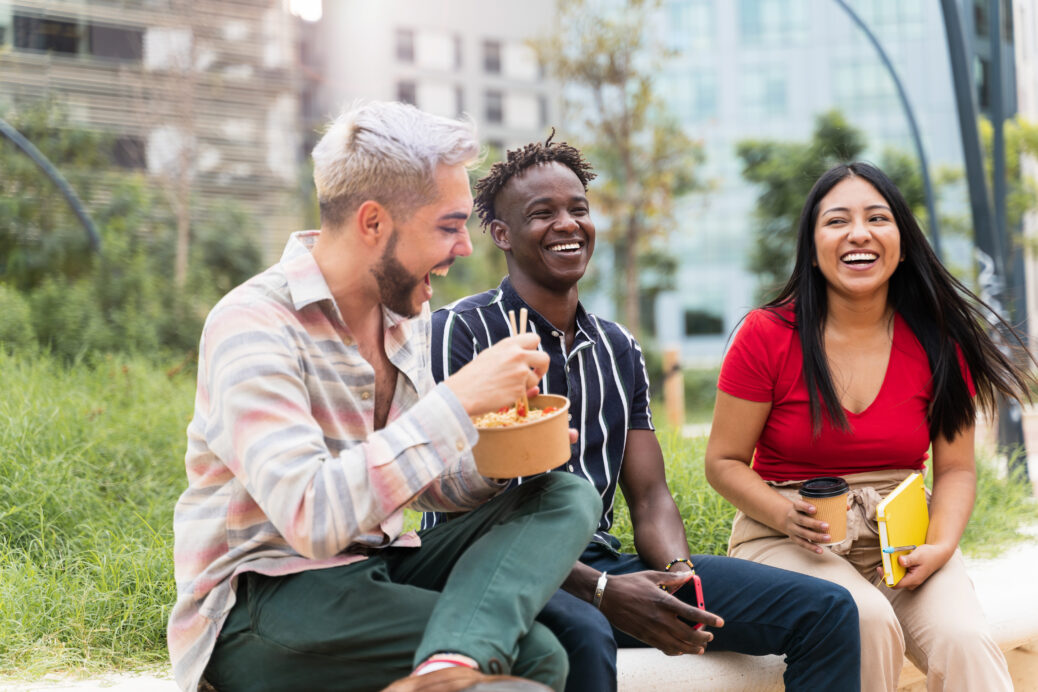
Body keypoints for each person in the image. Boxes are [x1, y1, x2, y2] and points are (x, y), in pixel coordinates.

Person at [166, 101, 604, 692]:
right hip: (261, 603)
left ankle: (451, 662)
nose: (466, 248)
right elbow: (311, 518)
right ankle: (458, 662)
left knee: (563, 494)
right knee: (538, 658)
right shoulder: (253, 324)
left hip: (376, 567)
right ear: (373, 224)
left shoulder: (402, 317)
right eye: (448, 226)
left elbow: (425, 485)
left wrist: (502, 455)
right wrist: (455, 401)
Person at [424, 136, 862, 692]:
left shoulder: (618, 348)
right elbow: (457, 511)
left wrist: (678, 578)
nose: (567, 224)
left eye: (577, 209)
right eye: (542, 214)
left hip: (599, 561)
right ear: (502, 234)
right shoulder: (458, 331)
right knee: (584, 632)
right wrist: (603, 593)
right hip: (492, 573)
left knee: (826, 609)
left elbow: (650, 495)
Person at [705, 162, 1031, 691]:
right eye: (837, 221)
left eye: (877, 217)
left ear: (901, 243)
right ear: (812, 248)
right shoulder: (766, 335)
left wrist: (941, 545)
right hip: (789, 533)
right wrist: (786, 515)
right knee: (863, 620)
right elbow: (721, 463)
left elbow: (955, 471)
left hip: (903, 537)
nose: (859, 233)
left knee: (966, 642)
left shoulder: (940, 342)